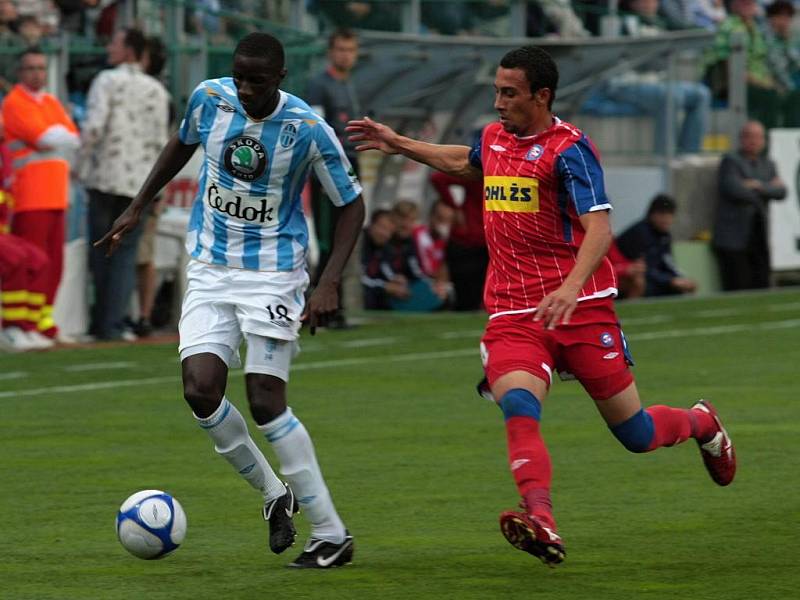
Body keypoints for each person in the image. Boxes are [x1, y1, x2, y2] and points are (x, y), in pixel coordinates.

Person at [348, 45, 736, 567]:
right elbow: (465, 160)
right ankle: (541, 518)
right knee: (518, 405)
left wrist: (572, 286)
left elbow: (599, 227)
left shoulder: (570, 150)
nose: (498, 102)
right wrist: (400, 144)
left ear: (542, 95)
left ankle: (700, 423)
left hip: (583, 307)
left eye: (509, 93)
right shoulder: (493, 138)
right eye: (496, 91)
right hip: (513, 312)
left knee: (637, 434)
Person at [95, 32, 364, 568]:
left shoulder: (308, 129)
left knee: (265, 400)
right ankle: (273, 494)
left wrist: (329, 280)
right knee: (199, 390)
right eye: (239, 77)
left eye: (256, 81)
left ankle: (331, 533)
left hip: (273, 275)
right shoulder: (209, 98)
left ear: (279, 79)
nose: (244, 88)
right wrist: (138, 205)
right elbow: (181, 144)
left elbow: (352, 206)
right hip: (211, 268)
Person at [78, 28, 170, 341]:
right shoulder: (157, 90)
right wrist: (158, 190)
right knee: (125, 256)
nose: (109, 47)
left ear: (129, 49)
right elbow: (162, 143)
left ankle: (100, 323)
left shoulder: (107, 80)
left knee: (100, 251)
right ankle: (113, 324)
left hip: (105, 178)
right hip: (139, 187)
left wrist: (79, 166)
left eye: (114, 42)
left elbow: (93, 127)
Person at [1, 47, 79, 342]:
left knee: (54, 264)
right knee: (32, 263)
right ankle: (24, 325)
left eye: (41, 68)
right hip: (29, 195)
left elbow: (72, 136)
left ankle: (44, 322)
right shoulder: (14, 102)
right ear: (20, 73)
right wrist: (55, 135)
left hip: (57, 193)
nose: (37, 73)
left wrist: (56, 136)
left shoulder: (49, 101)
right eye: (31, 68)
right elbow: (47, 138)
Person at [306, 28, 361, 329]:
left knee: (345, 236)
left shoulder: (349, 85)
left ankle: (331, 307)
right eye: (341, 49)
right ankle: (320, 308)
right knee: (329, 238)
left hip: (351, 165)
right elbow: (317, 129)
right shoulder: (319, 85)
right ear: (331, 51)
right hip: (329, 169)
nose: (346, 55)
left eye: (351, 50)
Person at [712, 120, 786, 291]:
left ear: (764, 141)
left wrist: (757, 185)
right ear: (741, 139)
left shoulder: (768, 164)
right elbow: (735, 190)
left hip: (758, 236)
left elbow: (782, 192)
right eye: (748, 136)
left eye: (758, 137)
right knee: (738, 287)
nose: (753, 141)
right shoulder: (730, 161)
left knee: (762, 285)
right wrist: (768, 187)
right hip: (733, 239)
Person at [616, 194, 697, 297]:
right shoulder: (639, 233)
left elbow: (668, 263)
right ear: (652, 214)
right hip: (629, 278)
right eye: (662, 214)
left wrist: (680, 278)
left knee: (681, 287)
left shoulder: (664, 235)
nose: (667, 219)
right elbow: (642, 268)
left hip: (654, 278)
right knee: (642, 284)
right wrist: (670, 280)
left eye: (670, 214)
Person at [430, 169, 488, 310]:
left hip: (477, 239)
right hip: (474, 240)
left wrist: (454, 207)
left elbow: (438, 178)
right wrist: (454, 207)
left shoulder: (481, 173)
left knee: (473, 293)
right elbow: (438, 178)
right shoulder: (480, 173)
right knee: (470, 293)